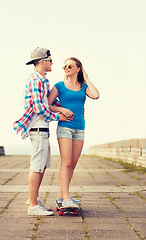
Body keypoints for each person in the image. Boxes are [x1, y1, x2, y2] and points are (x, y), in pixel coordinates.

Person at [13, 47, 72, 216]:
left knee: (42, 166)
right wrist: (59, 117)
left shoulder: (43, 80)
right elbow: (40, 109)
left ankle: (35, 199)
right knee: (37, 167)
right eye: (50, 60)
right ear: (42, 62)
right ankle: (32, 206)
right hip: (38, 129)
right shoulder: (35, 80)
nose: (52, 63)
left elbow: (50, 102)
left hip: (42, 129)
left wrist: (65, 109)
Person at [48, 57, 99, 208]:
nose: (66, 67)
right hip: (65, 127)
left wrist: (87, 78)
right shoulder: (59, 86)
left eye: (70, 65)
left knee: (73, 164)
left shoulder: (83, 87)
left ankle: (62, 196)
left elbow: (95, 95)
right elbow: (48, 105)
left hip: (80, 128)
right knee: (66, 162)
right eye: (64, 65)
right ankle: (66, 198)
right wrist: (61, 109)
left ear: (78, 69)